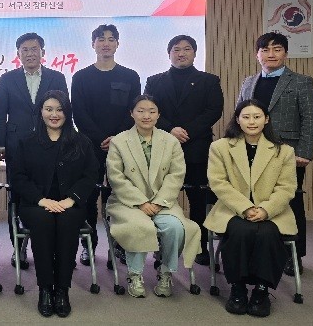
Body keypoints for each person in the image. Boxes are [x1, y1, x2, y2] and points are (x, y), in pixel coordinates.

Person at [204, 99, 297, 317]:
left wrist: (266, 210)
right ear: (238, 120)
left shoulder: (284, 151)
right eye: (246, 117)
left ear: (266, 119)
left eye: (257, 117)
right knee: (240, 231)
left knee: (268, 234)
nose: (252, 121)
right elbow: (218, 182)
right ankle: (237, 289)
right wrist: (245, 208)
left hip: (271, 211)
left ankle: (261, 291)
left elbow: (286, 187)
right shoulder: (220, 147)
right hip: (233, 208)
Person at [238, 32, 313, 276]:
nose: (270, 54)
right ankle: (259, 251)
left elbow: (311, 118)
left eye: (277, 49)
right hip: (252, 150)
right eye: (265, 50)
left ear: (285, 53)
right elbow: (238, 116)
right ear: (257, 55)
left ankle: (294, 255)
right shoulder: (249, 82)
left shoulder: (301, 82)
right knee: (255, 199)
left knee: (291, 201)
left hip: (288, 153)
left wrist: (304, 152)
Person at [11, 90, 97, 318]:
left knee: (67, 223)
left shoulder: (81, 142)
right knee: (43, 221)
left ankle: (62, 290)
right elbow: (18, 177)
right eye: (49, 109)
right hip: (35, 204)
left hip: (71, 204)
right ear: (40, 112)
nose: (54, 114)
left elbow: (90, 176)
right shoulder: (27, 142)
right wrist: (41, 200)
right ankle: (45, 289)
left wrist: (71, 199)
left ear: (67, 112)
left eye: (59, 109)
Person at [106, 95, 201, 298]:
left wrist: (158, 202)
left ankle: (165, 272)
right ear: (131, 113)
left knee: (175, 227)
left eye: (151, 111)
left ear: (159, 115)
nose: (146, 116)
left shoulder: (171, 142)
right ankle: (135, 274)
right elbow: (116, 177)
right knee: (139, 226)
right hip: (127, 202)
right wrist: (141, 202)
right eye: (140, 111)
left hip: (163, 201)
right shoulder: (119, 141)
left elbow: (176, 175)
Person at [143, 34, 223, 265]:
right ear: (169, 54)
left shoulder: (209, 81)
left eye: (187, 49)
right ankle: (161, 248)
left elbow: (214, 110)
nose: (181, 53)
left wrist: (186, 131)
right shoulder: (154, 81)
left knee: (198, 200)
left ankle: (199, 247)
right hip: (162, 148)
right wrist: (171, 129)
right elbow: (148, 109)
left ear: (195, 53)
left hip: (197, 148)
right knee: (161, 199)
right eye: (176, 49)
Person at [0, 32, 68, 267]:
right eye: (24, 50)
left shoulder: (57, 77)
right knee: (18, 196)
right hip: (17, 146)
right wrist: (0, 143)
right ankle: (19, 249)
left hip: (50, 146)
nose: (29, 53)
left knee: (49, 193)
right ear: (18, 54)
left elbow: (65, 111)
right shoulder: (7, 79)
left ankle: (50, 247)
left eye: (34, 49)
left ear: (43, 52)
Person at [71, 24, 141, 266]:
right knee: (88, 197)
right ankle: (88, 245)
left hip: (122, 146)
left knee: (119, 198)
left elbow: (134, 111)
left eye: (111, 39)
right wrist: (100, 137)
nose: (106, 43)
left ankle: (118, 246)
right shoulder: (81, 77)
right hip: (89, 147)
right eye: (101, 39)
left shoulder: (130, 76)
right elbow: (79, 113)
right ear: (93, 44)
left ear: (117, 44)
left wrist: (116, 138)